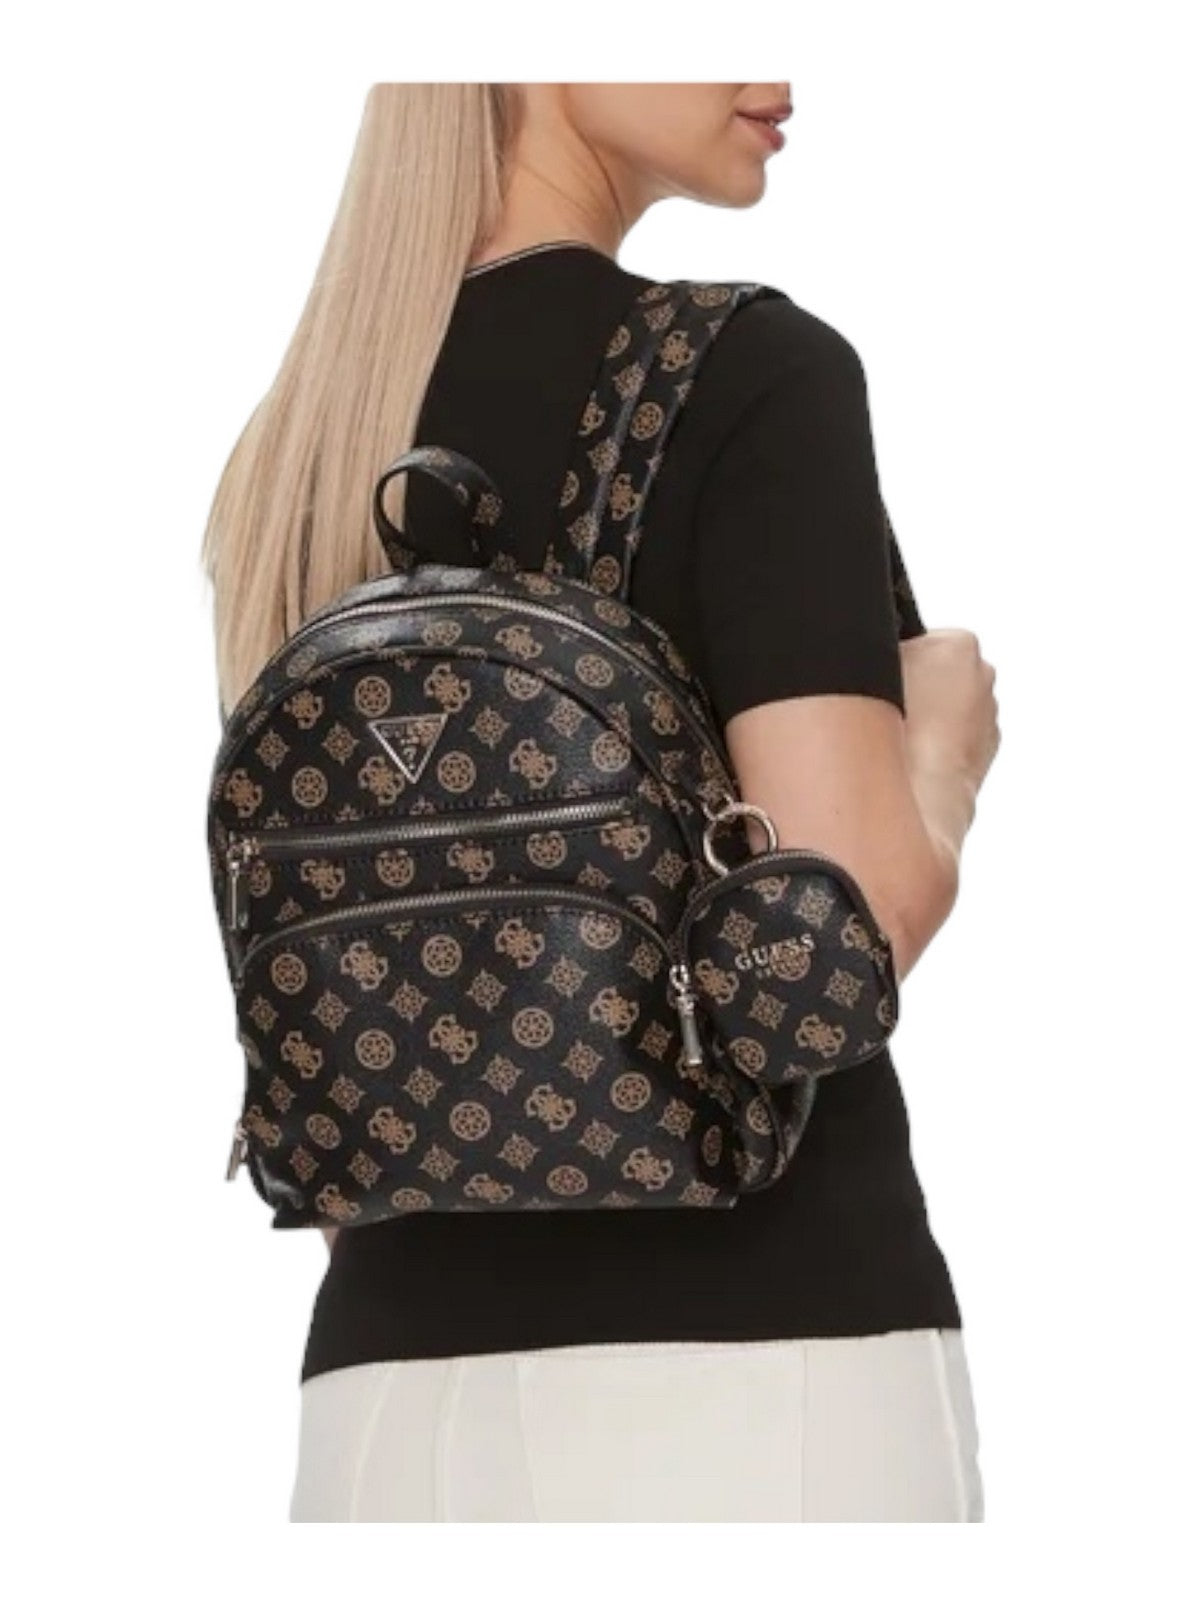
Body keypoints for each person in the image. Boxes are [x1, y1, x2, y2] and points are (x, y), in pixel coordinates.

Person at [201, 82, 1000, 1522]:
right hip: (764, 1369)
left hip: (382, 1400)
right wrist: (941, 754)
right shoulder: (752, 372)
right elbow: (830, 949)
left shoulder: (303, 445)